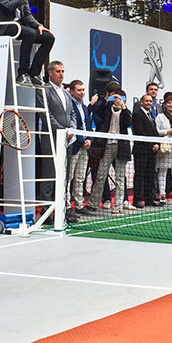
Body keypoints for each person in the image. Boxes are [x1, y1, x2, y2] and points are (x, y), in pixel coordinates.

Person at [92, 90, 133, 212]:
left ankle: (118, 205)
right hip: (107, 145)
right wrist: (105, 100)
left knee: (120, 178)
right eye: (114, 98)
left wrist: (123, 107)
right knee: (101, 175)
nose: (116, 100)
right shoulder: (106, 109)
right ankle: (93, 203)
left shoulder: (126, 112)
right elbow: (97, 112)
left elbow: (128, 123)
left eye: (119, 98)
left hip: (121, 147)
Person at [43, 61, 74, 203]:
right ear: (50, 73)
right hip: (52, 138)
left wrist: (71, 129)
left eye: (62, 71)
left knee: (65, 175)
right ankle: (46, 209)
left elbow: (72, 113)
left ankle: (61, 208)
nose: (61, 74)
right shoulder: (44, 90)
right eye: (58, 71)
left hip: (67, 139)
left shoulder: (66, 94)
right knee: (50, 174)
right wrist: (62, 130)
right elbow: (46, 115)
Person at [66, 79, 93, 222]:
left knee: (80, 178)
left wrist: (90, 139)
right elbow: (73, 126)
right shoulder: (69, 104)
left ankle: (79, 204)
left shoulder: (84, 107)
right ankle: (66, 205)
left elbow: (87, 125)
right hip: (74, 146)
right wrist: (82, 140)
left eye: (83, 90)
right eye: (79, 90)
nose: (82, 93)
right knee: (69, 177)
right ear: (71, 91)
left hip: (85, 147)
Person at [131, 94, 159, 208]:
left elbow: (154, 132)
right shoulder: (137, 115)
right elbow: (140, 132)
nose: (148, 103)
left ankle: (149, 199)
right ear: (141, 102)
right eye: (146, 101)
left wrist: (157, 144)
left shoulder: (152, 115)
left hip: (151, 151)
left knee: (150, 175)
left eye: (150, 101)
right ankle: (137, 199)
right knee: (140, 175)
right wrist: (152, 144)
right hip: (141, 150)